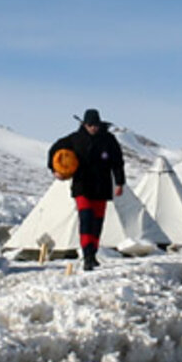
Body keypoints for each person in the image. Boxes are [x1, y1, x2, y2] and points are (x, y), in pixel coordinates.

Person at [47, 108, 125, 271]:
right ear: (84, 124)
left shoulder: (108, 139)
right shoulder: (74, 139)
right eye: (90, 125)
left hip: (102, 186)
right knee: (86, 219)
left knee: (97, 223)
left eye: (95, 125)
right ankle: (87, 256)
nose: (93, 128)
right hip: (82, 185)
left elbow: (117, 162)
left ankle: (93, 254)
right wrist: (55, 170)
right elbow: (54, 150)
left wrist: (119, 183)